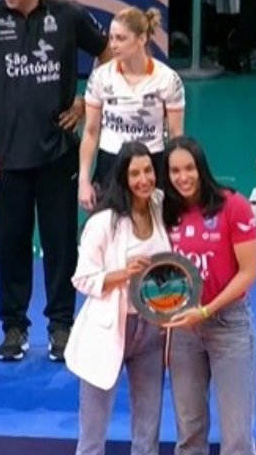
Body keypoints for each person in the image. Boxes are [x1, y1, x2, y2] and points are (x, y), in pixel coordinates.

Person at [0, 0, 109, 362]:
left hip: (58, 154)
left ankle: (61, 325)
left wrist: (86, 100)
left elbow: (107, 53)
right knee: (10, 243)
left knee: (61, 242)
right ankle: (14, 326)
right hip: (6, 156)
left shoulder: (68, 16)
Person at [66, 140, 170, 455]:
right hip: (110, 329)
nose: (144, 180)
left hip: (152, 328)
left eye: (148, 170)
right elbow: (81, 278)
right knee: (93, 435)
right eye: (135, 173)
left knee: (148, 429)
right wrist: (122, 274)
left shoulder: (160, 204)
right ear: (122, 177)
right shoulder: (102, 222)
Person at [161, 136, 256, 455]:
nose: (183, 177)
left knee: (237, 438)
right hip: (182, 331)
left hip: (229, 325)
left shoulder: (234, 206)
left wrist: (205, 311)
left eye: (189, 168)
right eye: (175, 171)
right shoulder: (165, 213)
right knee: (189, 436)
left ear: (201, 168)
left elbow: (248, 272)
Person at [78, 6, 186, 212]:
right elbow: (91, 132)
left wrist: (175, 178)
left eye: (120, 38)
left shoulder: (168, 79)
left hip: (152, 161)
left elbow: (176, 136)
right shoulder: (100, 77)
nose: (113, 45)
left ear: (142, 39)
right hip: (110, 163)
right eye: (111, 38)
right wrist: (84, 181)